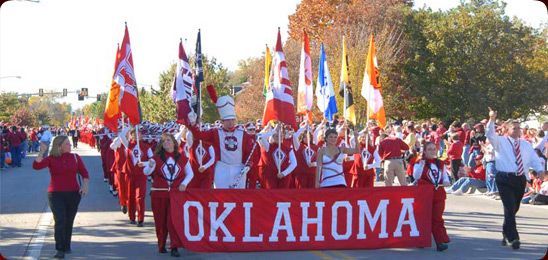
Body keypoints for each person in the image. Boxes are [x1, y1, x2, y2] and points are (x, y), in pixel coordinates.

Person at [485, 107, 545, 250]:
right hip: (504, 178)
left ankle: (506, 232)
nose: (518, 130)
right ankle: (514, 238)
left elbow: (533, 159)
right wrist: (492, 119)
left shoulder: (525, 144)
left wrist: (540, 169)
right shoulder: (500, 141)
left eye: (519, 128)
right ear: (507, 129)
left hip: (519, 179)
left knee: (514, 208)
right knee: (509, 207)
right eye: (515, 128)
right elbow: (489, 133)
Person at [32, 136, 89, 259]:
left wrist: (85, 186)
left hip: (73, 194)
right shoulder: (51, 159)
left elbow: (84, 173)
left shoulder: (75, 157)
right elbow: (36, 166)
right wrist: (41, 151)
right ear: (59, 146)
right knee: (60, 220)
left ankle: (66, 245)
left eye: (69, 143)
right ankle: (60, 249)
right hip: (55, 194)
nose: (70, 145)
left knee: (69, 220)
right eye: (67, 144)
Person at [141, 133, 193, 257]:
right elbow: (146, 172)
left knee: (173, 221)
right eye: (164, 142)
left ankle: (174, 246)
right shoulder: (156, 158)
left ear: (174, 143)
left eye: (169, 140)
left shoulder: (182, 157)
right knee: (160, 221)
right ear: (162, 145)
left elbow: (190, 174)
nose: (167, 143)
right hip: (159, 193)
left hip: (175, 195)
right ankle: (161, 244)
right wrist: (150, 166)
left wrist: (184, 184)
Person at [189, 96, 254, 189]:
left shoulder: (243, 134)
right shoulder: (215, 132)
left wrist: (248, 164)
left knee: (238, 196)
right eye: (227, 120)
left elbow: (250, 151)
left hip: (239, 167)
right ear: (222, 121)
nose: (230, 122)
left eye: (232, 119)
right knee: (221, 195)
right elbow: (199, 136)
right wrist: (193, 124)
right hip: (222, 168)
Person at [412, 142, 451, 251]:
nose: (432, 151)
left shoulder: (440, 163)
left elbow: (444, 176)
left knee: (437, 218)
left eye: (434, 149)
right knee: (424, 217)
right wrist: (422, 164)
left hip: (438, 194)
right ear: (424, 151)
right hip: (425, 194)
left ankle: (440, 241)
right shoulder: (419, 162)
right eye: (429, 149)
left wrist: (447, 181)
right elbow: (416, 176)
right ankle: (423, 240)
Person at [257, 123, 297, 189]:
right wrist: (273, 131)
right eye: (276, 136)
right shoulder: (268, 146)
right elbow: (260, 136)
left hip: (284, 176)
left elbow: (294, 163)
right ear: (272, 136)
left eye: (280, 136)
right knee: (271, 195)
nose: (279, 137)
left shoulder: (288, 148)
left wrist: (284, 173)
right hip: (270, 176)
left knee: (282, 196)